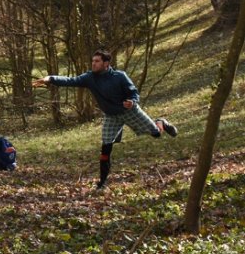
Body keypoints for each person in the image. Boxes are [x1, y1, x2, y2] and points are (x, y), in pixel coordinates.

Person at [32, 50, 177, 190]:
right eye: (93, 61)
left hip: (129, 111)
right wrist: (50, 79)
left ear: (106, 63)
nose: (93, 64)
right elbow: (71, 80)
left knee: (156, 134)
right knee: (106, 148)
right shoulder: (90, 78)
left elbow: (134, 93)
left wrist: (132, 101)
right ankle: (102, 182)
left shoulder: (120, 76)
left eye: (97, 61)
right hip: (111, 116)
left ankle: (160, 122)